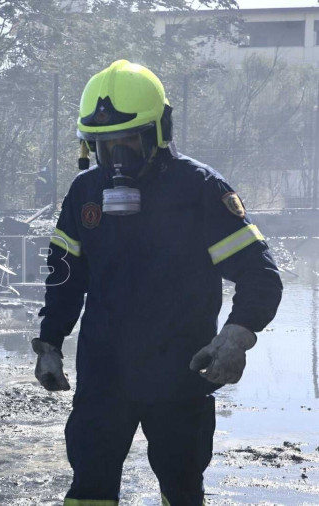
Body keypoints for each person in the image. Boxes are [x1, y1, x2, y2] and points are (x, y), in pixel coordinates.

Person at [32, 60, 283, 505]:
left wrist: (236, 335)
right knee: (90, 483)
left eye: (127, 141)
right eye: (104, 146)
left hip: (179, 372)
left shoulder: (199, 189)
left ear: (158, 132)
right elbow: (66, 275)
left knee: (181, 484)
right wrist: (50, 340)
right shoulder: (85, 193)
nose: (116, 157)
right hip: (104, 371)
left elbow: (259, 275)